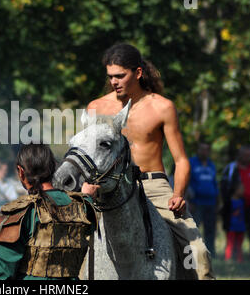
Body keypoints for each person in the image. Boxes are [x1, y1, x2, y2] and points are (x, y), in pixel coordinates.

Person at [86, 43, 214, 279]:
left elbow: (182, 160)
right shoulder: (96, 108)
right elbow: (88, 155)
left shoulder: (162, 107)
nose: (114, 82)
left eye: (120, 76)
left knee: (198, 253)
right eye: (110, 76)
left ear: (138, 73)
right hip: (108, 189)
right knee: (75, 245)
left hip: (154, 187)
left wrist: (178, 194)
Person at [0, 144, 99, 280]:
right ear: (54, 167)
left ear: (20, 172)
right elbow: (88, 221)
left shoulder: (22, 212)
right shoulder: (82, 207)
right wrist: (88, 197)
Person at [221, 145, 250, 261]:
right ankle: (232, 257)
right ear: (239, 155)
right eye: (244, 155)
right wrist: (228, 203)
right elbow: (224, 186)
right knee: (234, 233)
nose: (247, 158)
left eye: (249, 155)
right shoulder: (231, 168)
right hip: (236, 207)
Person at [187, 142, 219, 257]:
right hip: (196, 202)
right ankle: (193, 253)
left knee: (210, 230)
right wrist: (189, 200)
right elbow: (186, 182)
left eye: (206, 150)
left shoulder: (211, 165)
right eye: (202, 149)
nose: (204, 152)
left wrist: (217, 202)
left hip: (211, 202)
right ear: (198, 150)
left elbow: (215, 183)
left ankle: (211, 253)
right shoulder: (191, 163)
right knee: (195, 229)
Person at [224, 183, 246, 262]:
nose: (243, 190)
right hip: (231, 228)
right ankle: (228, 259)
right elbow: (225, 214)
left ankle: (239, 260)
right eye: (241, 189)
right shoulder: (229, 202)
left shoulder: (243, 201)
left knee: (239, 245)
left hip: (241, 227)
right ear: (235, 190)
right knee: (230, 244)